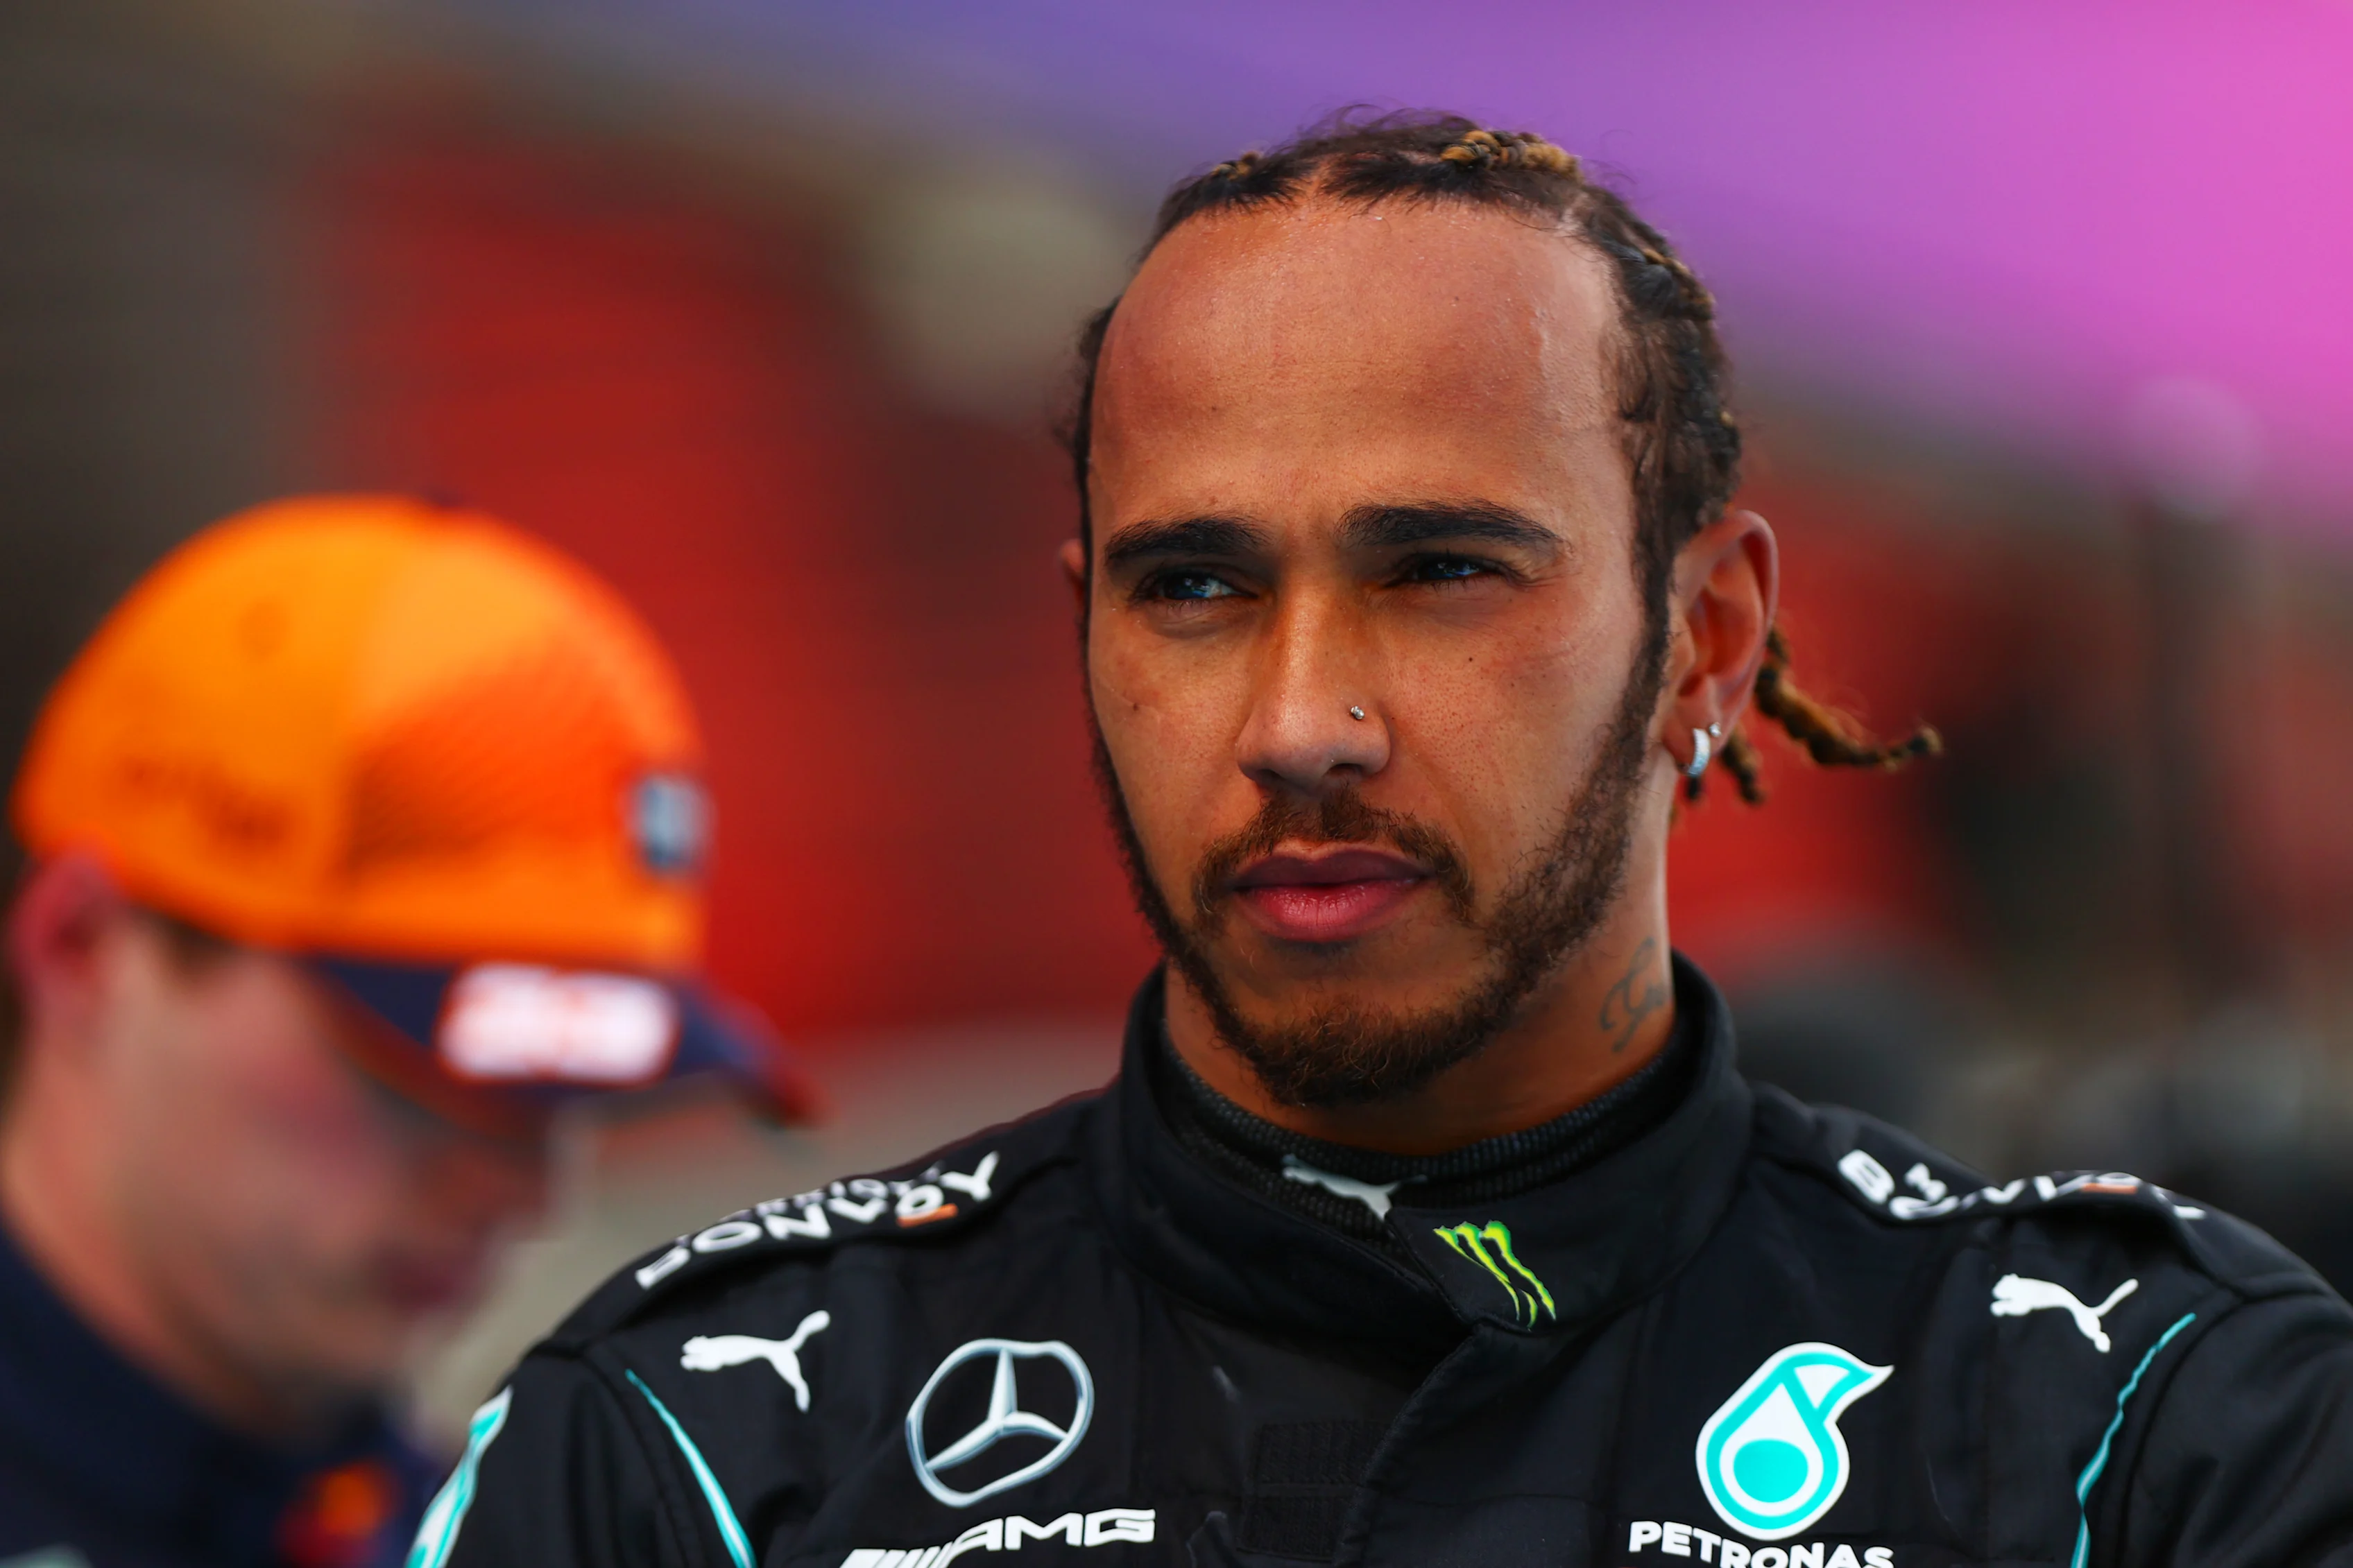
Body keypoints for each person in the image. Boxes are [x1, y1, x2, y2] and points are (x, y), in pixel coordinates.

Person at [421, 114, 2353, 1568]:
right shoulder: (695, 1453)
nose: (1298, 726)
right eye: (1193, 586)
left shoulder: (2140, 1421)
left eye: (1438, 570)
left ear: (1710, 642)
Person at [0, 495, 808, 1568]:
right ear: (85, 947)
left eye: (561, 1100)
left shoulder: (485, 1531)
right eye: (412, 1079)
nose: (523, 1195)